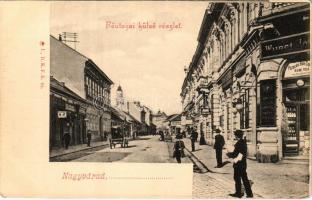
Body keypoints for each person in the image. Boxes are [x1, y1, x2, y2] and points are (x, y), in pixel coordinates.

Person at [227, 129, 253, 198]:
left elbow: (236, 154)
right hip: (243, 163)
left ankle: (238, 193)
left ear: (236, 135)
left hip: (238, 164)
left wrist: (229, 154)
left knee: (237, 178)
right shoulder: (243, 142)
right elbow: (242, 153)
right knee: (245, 178)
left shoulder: (239, 143)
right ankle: (249, 194)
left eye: (235, 135)